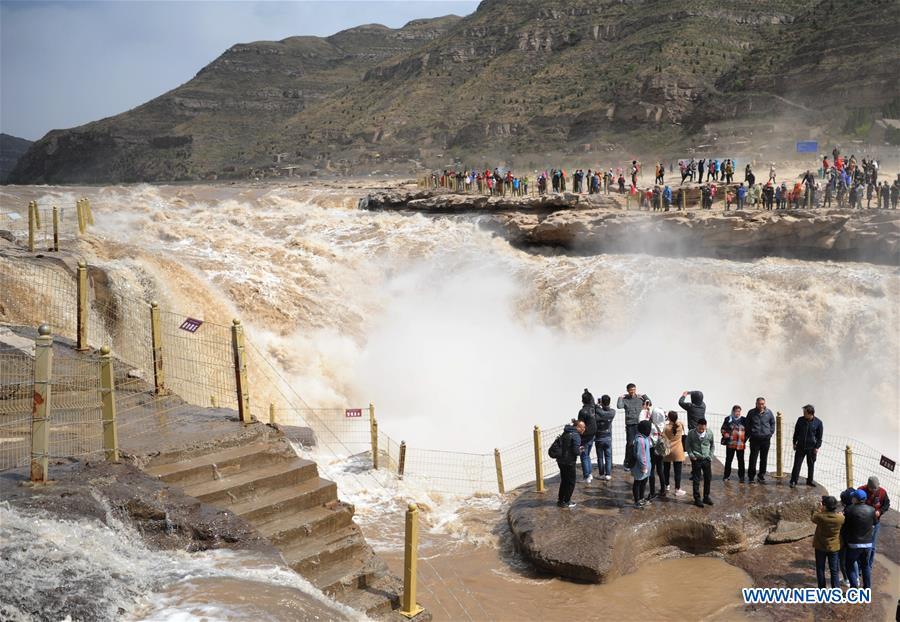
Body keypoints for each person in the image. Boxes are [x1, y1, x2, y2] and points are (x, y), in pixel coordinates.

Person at [843, 488, 876, 588]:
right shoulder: (871, 510)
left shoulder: (849, 509)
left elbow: (845, 525)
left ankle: (854, 588)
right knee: (865, 566)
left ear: (856, 499)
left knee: (849, 565)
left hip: (854, 543)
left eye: (853, 497)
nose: (852, 498)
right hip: (868, 544)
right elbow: (875, 523)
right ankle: (867, 588)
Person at [858, 476, 891, 574]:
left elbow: (886, 504)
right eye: (872, 488)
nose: (874, 490)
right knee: (861, 546)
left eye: (876, 488)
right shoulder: (861, 490)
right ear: (868, 486)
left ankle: (869, 566)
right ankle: (860, 567)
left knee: (872, 546)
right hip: (862, 523)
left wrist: (880, 511)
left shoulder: (882, 492)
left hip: (875, 523)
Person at [811, 496, 844, 589]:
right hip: (834, 547)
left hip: (820, 546)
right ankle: (836, 590)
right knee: (834, 570)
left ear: (824, 506)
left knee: (820, 568)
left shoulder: (819, 516)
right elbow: (842, 518)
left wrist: (819, 509)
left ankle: (822, 589)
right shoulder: (840, 518)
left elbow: (813, 517)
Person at [789, 404, 822, 488]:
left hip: (812, 448)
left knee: (811, 465)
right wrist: (794, 442)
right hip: (800, 446)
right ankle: (793, 481)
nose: (803, 414)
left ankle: (809, 481)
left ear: (811, 414)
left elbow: (819, 437)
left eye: (805, 412)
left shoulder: (818, 422)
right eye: (803, 412)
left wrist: (817, 447)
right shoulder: (800, 420)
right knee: (797, 465)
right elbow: (796, 432)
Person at [642, 398, 667, 499]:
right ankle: (663, 489)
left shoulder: (650, 425)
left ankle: (652, 492)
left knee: (651, 470)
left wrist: (645, 409)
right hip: (660, 449)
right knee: (660, 469)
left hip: (652, 449)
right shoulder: (663, 424)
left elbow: (643, 422)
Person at [746, 397, 775, 484]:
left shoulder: (769, 412)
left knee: (764, 458)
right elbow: (747, 424)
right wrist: (751, 433)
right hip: (755, 439)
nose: (761, 405)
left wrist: (770, 433)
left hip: (766, 439)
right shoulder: (751, 413)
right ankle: (751, 477)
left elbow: (772, 423)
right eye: (759, 404)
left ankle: (761, 475)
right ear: (756, 404)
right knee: (753, 458)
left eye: (763, 404)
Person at [686, 418, 714, 508]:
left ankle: (706, 497)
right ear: (697, 426)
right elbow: (687, 445)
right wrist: (691, 454)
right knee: (696, 479)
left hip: (706, 459)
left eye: (703, 428)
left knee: (708, 478)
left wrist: (710, 456)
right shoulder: (691, 433)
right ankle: (697, 498)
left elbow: (712, 445)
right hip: (696, 459)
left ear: (705, 426)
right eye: (700, 428)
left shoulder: (709, 433)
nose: (701, 430)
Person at [618, 384, 647, 468]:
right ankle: (628, 462)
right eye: (631, 390)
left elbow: (649, 403)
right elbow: (619, 406)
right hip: (630, 424)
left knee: (640, 442)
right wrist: (620, 397)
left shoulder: (639, 399)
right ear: (627, 390)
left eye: (634, 389)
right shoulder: (625, 399)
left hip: (639, 423)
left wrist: (644, 396)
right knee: (630, 444)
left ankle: (639, 461)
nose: (633, 391)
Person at [556, 420, 584, 508]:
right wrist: (581, 450)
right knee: (571, 481)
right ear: (577, 427)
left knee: (564, 480)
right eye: (583, 427)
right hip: (569, 462)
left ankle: (561, 500)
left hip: (560, 460)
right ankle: (567, 501)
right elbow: (576, 451)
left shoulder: (566, 432)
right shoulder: (576, 436)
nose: (584, 429)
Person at [662, 410, 687, 496]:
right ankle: (677, 489)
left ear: (669, 418)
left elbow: (662, 436)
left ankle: (667, 485)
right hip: (678, 451)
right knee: (678, 472)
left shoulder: (666, 428)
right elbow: (679, 422)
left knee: (666, 470)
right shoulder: (680, 425)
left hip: (668, 451)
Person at [720, 405, 746, 482]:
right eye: (736, 411)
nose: (738, 413)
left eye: (739, 411)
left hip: (740, 444)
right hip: (730, 444)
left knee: (741, 461)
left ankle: (741, 477)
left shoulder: (744, 420)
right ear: (733, 411)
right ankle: (726, 476)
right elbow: (723, 429)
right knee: (728, 460)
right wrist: (725, 434)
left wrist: (745, 439)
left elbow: (748, 430)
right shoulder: (728, 419)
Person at [631, 420, 653, 508]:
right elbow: (641, 455)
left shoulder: (645, 438)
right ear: (644, 429)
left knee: (643, 482)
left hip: (646, 466)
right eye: (649, 429)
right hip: (640, 467)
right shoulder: (640, 440)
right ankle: (637, 501)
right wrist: (643, 466)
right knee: (637, 483)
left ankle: (642, 498)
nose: (650, 430)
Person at [594, 395, 616, 480]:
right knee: (608, 456)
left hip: (599, 438)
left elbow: (601, 413)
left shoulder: (597, 414)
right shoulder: (612, 412)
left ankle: (601, 474)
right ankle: (608, 474)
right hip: (608, 438)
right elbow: (605, 412)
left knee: (600, 457)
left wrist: (597, 406)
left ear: (602, 402)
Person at [578, 391, 598, 483]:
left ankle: (587, 477)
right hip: (592, 435)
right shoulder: (593, 408)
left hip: (585, 437)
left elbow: (580, 425)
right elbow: (592, 400)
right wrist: (588, 392)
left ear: (582, 400)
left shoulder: (582, 411)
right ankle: (589, 474)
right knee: (587, 455)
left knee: (584, 456)